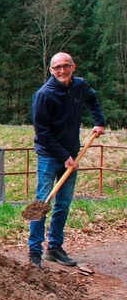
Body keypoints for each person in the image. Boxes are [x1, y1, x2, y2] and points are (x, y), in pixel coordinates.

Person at [29, 52, 106, 269]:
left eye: (66, 66)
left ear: (73, 66)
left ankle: (54, 248)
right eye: (57, 68)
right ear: (51, 71)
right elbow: (42, 132)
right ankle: (34, 251)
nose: (62, 71)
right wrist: (65, 157)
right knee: (41, 203)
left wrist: (99, 121)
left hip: (72, 153)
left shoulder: (79, 86)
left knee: (63, 204)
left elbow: (92, 99)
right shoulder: (43, 95)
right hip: (49, 155)